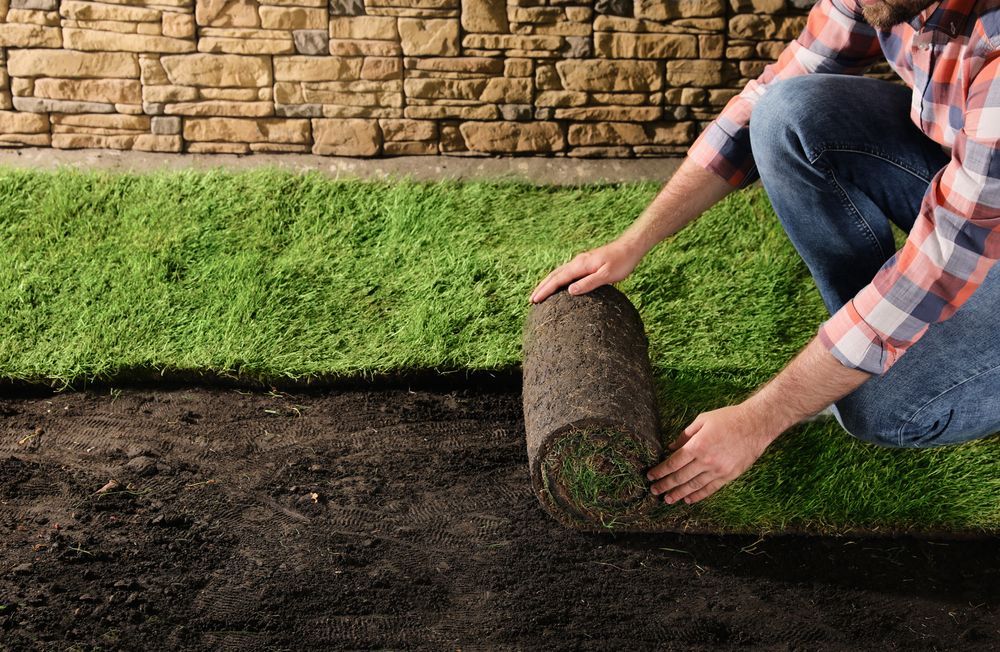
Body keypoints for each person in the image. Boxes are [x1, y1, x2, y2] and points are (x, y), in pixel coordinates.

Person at [529, 0, 1000, 507]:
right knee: (785, 113)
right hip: (972, 183)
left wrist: (761, 419)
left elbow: (942, 261)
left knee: (877, 409)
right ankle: (860, 353)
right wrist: (634, 240)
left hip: (975, 221)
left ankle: (890, 367)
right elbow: (773, 91)